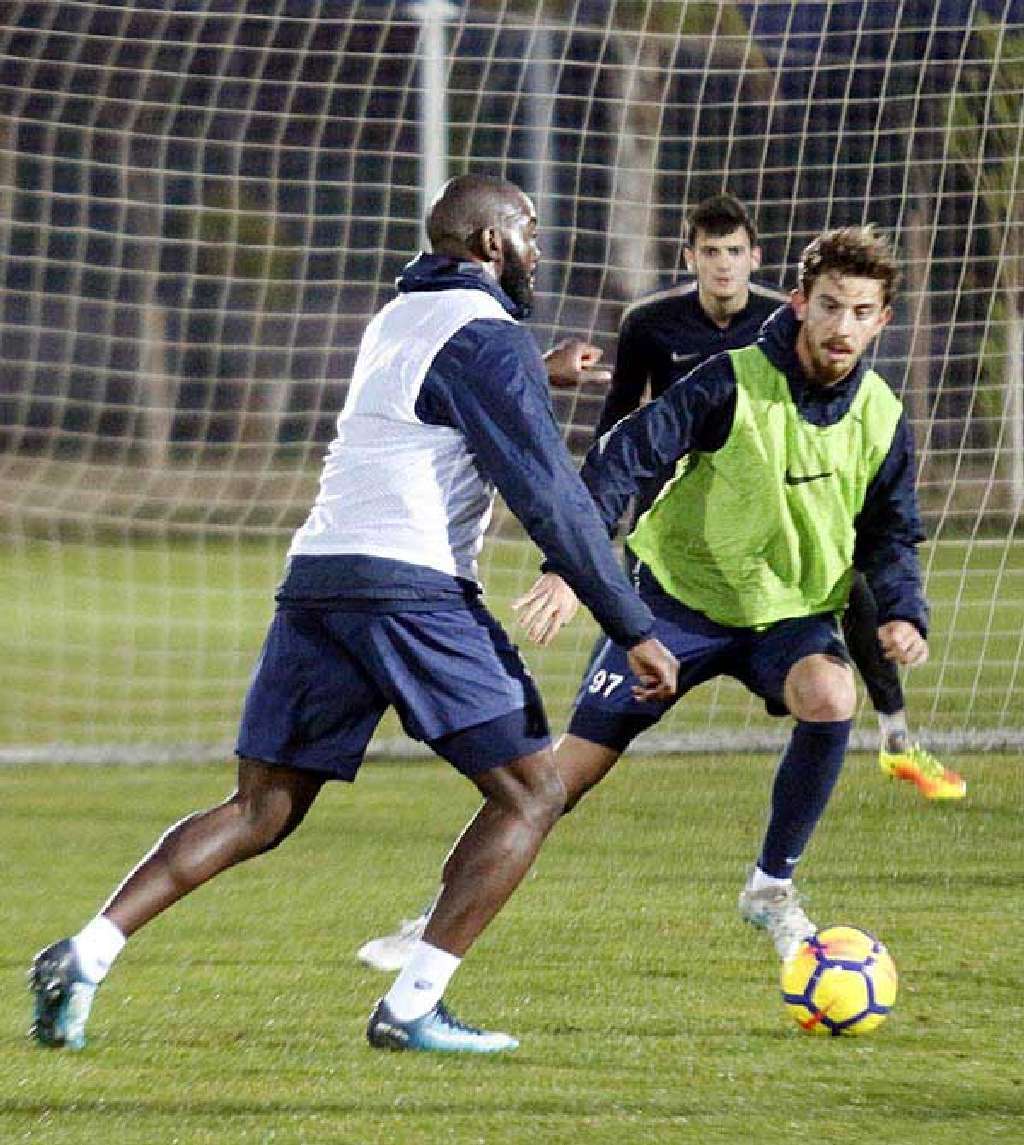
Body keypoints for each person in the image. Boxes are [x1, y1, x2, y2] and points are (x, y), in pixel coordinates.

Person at [28, 173, 677, 1056]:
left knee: (259, 809)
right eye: (527, 230)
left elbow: (439, 396)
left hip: (320, 578)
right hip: (409, 587)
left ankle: (84, 953)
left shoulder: (399, 316)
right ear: (491, 244)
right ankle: (412, 1006)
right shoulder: (487, 336)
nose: (538, 248)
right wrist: (632, 624)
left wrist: (539, 371)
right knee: (534, 792)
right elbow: (551, 497)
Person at [359, 223, 932, 972]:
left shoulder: (883, 416)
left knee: (831, 694)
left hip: (788, 616)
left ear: (881, 320)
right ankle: (436, 917)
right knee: (555, 779)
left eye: (860, 312)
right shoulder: (731, 381)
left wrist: (902, 610)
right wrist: (571, 567)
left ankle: (771, 888)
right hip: (675, 607)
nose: (842, 327)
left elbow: (891, 532)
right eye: (830, 306)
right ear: (800, 303)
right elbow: (624, 455)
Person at [598, 193, 963, 801]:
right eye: (711, 252)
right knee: (615, 684)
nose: (723, 264)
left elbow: (889, 528)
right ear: (689, 257)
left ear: (755, 257)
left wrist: (907, 613)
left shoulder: (801, 338)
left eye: (734, 251)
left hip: (780, 535)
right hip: (682, 527)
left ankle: (895, 736)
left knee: (855, 595)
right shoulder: (652, 324)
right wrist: (587, 531)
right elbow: (622, 426)